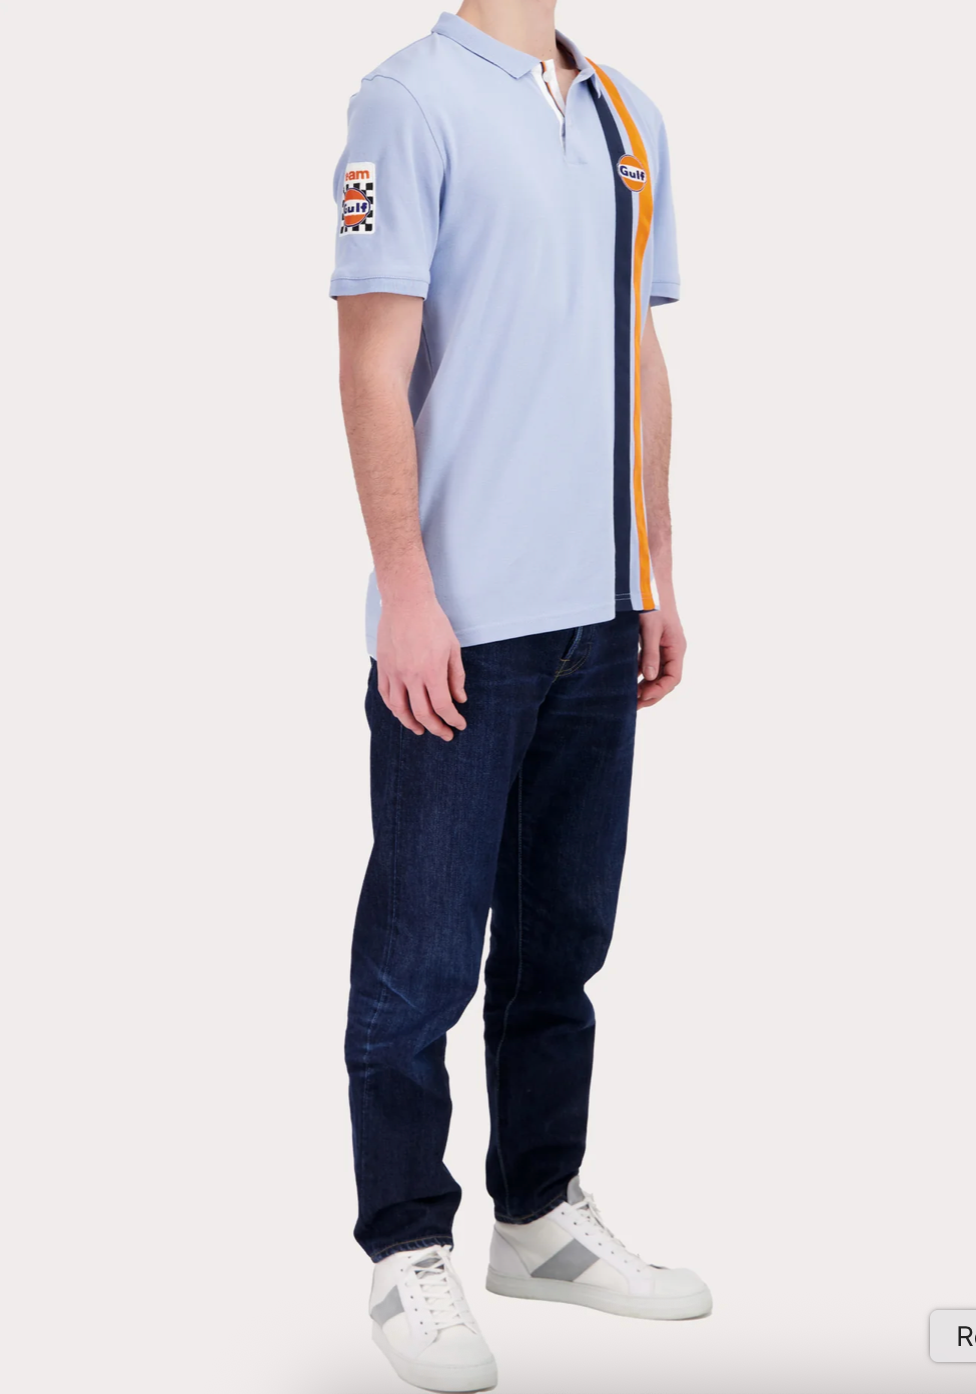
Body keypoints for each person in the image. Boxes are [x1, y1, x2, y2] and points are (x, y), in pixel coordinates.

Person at [331, 4, 711, 1389]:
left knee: (563, 944)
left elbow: (639, 358)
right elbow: (371, 358)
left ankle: (538, 1215)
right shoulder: (407, 102)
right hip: (462, 624)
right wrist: (407, 590)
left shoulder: (624, 113)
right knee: (420, 961)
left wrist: (651, 570)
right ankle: (404, 1247)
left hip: (597, 618)